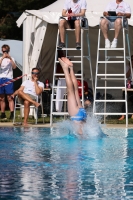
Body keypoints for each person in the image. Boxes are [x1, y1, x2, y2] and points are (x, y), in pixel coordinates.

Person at [58, 57, 87, 134]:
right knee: (71, 91)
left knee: (75, 90)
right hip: (78, 115)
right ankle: (66, 69)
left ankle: (71, 68)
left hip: (82, 112)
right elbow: (81, 134)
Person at [0, 44, 16, 120]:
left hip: (9, 78)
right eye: (3, 51)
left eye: (6, 51)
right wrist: (2, 58)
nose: (5, 53)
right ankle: (3, 113)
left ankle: (12, 113)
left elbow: (14, 67)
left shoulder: (12, 58)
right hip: (1, 78)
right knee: (1, 98)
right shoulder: (0, 58)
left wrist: (10, 58)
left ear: (8, 51)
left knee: (10, 97)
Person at [119, 55, 133, 120]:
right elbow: (126, 76)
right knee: (124, 100)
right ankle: (123, 115)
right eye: (132, 60)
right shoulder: (127, 67)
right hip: (127, 84)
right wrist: (131, 68)